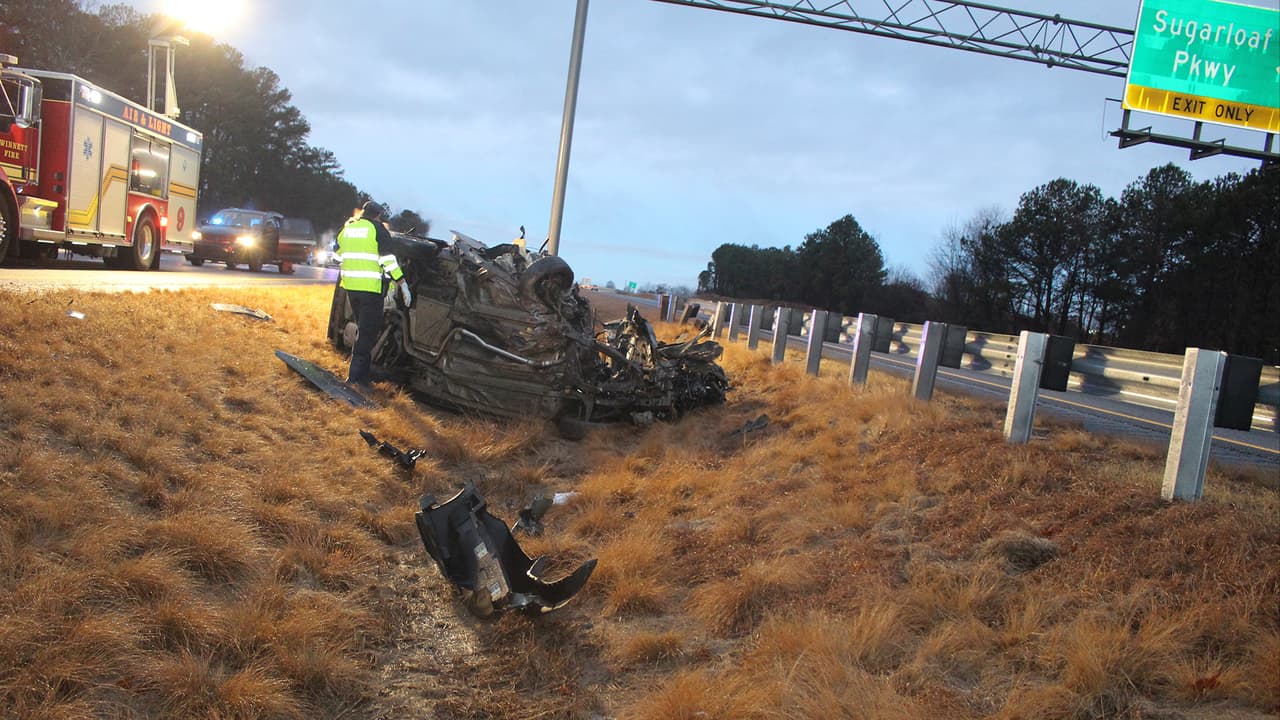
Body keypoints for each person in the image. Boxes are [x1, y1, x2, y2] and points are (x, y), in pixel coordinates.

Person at [335, 200, 412, 387]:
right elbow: (389, 261)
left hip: (351, 287)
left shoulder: (348, 229)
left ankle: (361, 376)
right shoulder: (378, 230)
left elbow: (337, 256)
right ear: (378, 215)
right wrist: (402, 283)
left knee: (363, 330)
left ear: (363, 212)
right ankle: (355, 379)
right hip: (370, 289)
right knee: (367, 334)